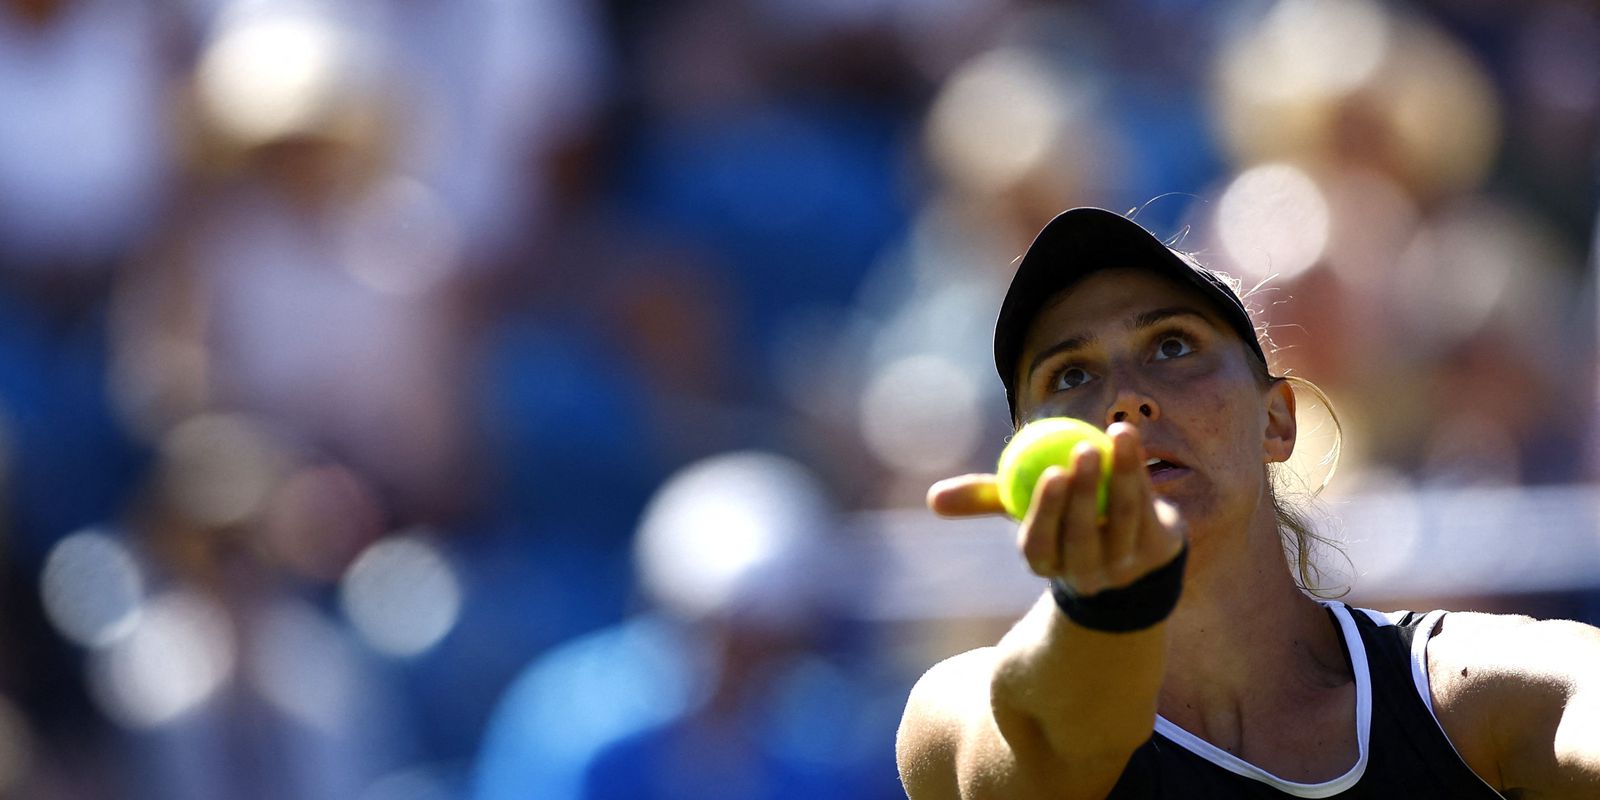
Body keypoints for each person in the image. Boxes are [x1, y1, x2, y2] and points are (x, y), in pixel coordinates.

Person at [895, 207, 1600, 798]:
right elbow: (1041, 768)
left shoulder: (1478, 692)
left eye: (1172, 345)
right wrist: (1111, 602)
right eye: (1071, 373)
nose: (1123, 400)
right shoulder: (954, 711)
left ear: (1277, 422)